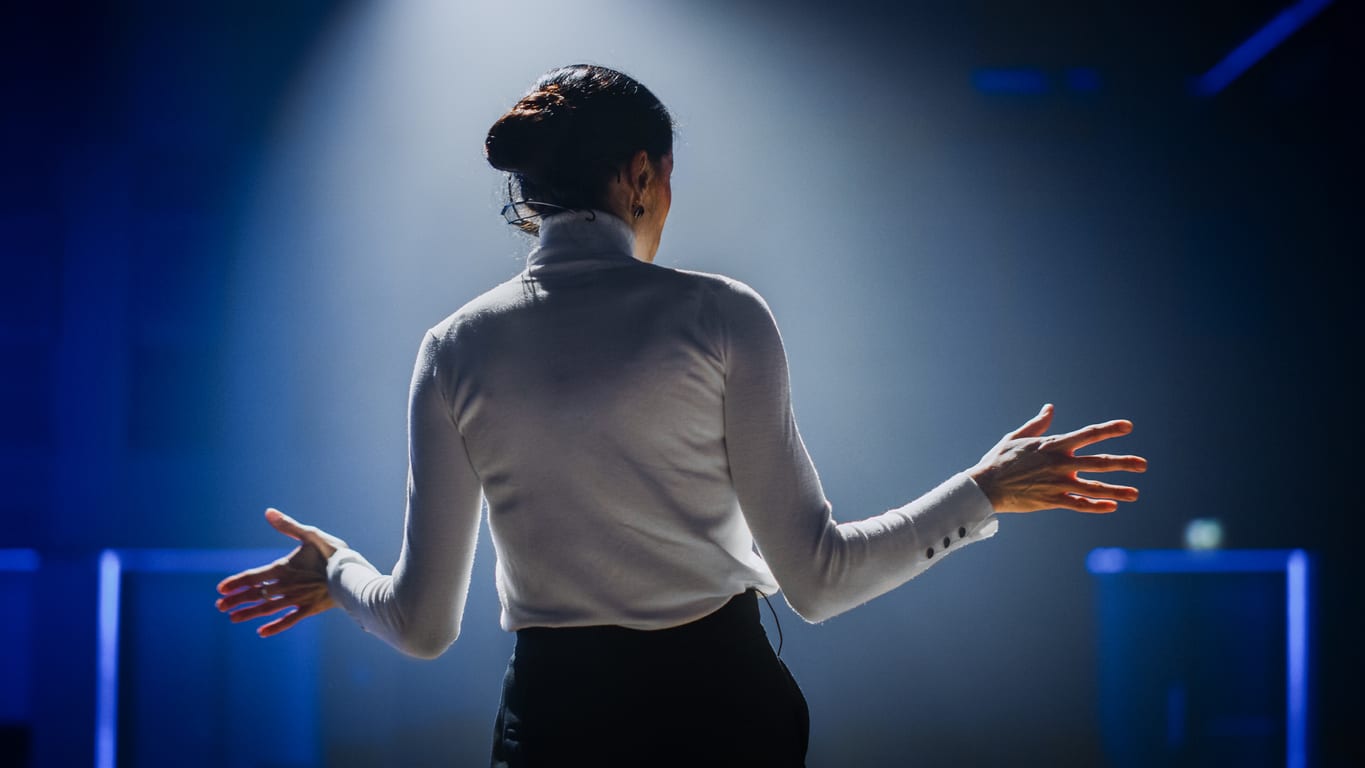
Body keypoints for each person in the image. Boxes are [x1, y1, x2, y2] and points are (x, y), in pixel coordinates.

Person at [215, 64, 1146, 767]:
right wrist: (982, 491)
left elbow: (421, 628)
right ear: (640, 176)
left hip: (552, 731)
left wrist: (335, 569)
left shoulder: (453, 348)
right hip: (724, 721)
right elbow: (818, 583)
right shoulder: (720, 315)